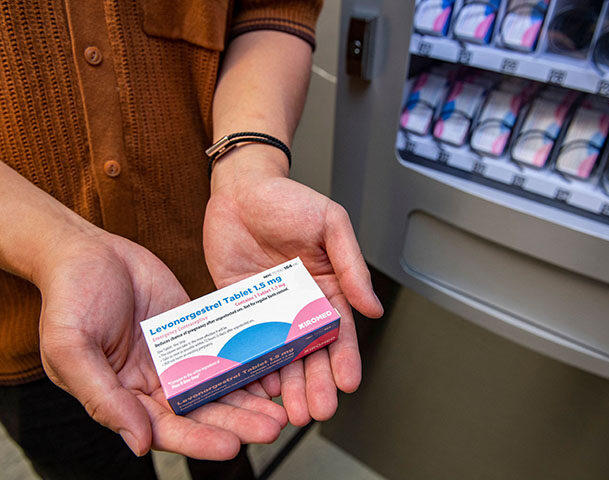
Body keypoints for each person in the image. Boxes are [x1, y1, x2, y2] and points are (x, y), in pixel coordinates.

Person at [0, 0, 383, 479]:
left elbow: (274, 11)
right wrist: (52, 247)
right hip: (21, 324)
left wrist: (249, 167)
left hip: (214, 277)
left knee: (225, 449)